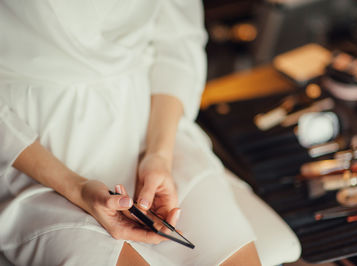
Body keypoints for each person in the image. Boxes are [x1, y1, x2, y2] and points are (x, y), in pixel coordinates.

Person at [0, 1, 262, 265]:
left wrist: (159, 154)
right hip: (29, 155)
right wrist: (77, 189)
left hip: (150, 127)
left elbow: (177, 42)